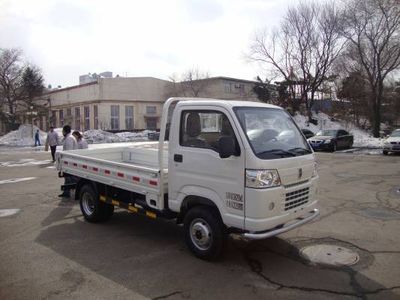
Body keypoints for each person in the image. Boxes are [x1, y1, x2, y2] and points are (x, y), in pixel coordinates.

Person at [58, 125, 78, 198]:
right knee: (68, 178)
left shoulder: (69, 138)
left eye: (63, 131)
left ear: (65, 131)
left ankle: (72, 192)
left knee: (71, 178)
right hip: (70, 161)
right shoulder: (70, 137)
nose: (62, 132)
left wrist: (65, 162)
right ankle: (66, 192)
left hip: (69, 162)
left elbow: (69, 152)